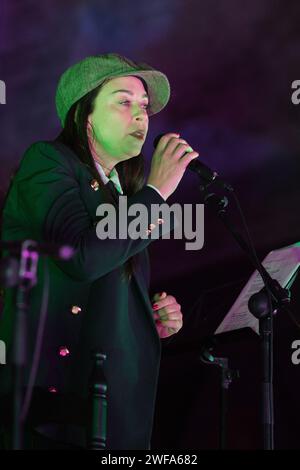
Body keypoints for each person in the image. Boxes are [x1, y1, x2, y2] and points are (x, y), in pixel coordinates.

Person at [0, 53, 199, 450]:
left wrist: (145, 316)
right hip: (53, 410)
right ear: (84, 114)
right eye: (123, 101)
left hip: (110, 411)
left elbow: (106, 284)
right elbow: (82, 256)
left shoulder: (121, 193)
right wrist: (157, 193)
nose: (141, 116)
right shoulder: (48, 162)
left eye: (143, 106)